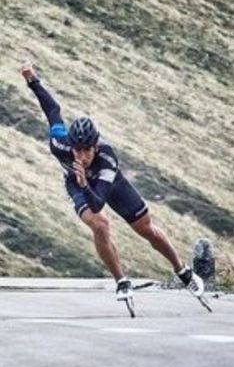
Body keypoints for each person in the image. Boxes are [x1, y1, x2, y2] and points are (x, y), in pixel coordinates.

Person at [20, 63, 204, 301]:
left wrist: (87, 182)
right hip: (76, 184)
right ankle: (121, 281)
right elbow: (52, 109)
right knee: (100, 224)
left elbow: (98, 201)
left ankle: (182, 270)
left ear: (96, 146)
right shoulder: (59, 143)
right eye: (77, 151)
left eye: (87, 151)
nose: (82, 156)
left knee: (145, 229)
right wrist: (32, 79)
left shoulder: (107, 158)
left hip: (110, 185)